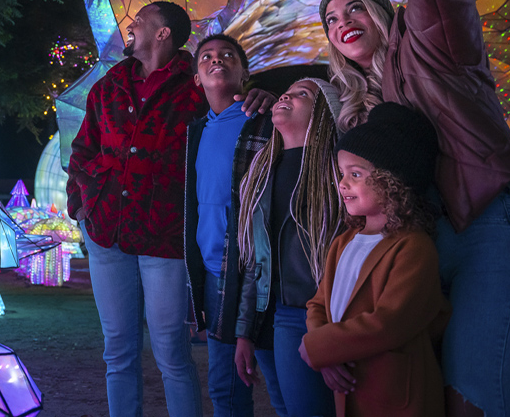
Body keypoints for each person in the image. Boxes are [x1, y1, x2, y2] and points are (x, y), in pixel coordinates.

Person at [319, 0, 510, 417]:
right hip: (413, 246)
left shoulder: (431, 48)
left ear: (382, 13)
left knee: (472, 392)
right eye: (331, 18)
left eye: (355, 6)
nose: (343, 20)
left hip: (482, 225)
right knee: (416, 392)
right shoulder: (353, 108)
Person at [66, 1, 272, 417]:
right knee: (117, 349)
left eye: (139, 20)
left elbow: (230, 106)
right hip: (106, 232)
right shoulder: (109, 86)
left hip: (164, 237)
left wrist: (263, 94)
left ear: (162, 33)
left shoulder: (195, 83)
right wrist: (82, 204)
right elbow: (83, 149)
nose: (130, 25)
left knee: (171, 351)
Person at [301, 102, 449, 417]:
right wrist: (325, 353)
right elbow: (318, 304)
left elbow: (389, 323)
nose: (342, 183)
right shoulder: (343, 242)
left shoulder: (413, 247)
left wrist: (320, 348)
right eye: (342, 174)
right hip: (349, 392)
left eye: (355, 174)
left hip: (396, 399)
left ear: (391, 182)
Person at [184, 34, 283, 417]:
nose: (217, 59)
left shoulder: (267, 121)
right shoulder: (196, 132)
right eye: (206, 56)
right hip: (217, 275)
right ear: (197, 78)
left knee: (282, 385)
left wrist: (273, 100)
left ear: (245, 72)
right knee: (225, 389)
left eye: (228, 55)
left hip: (262, 275)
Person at [233, 78, 342, 417]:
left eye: (302, 94)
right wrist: (245, 332)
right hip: (275, 314)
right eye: (287, 92)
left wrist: (334, 335)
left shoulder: (340, 172)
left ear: (324, 113)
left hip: (325, 314)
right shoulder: (261, 171)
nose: (286, 95)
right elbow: (255, 259)